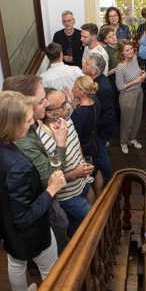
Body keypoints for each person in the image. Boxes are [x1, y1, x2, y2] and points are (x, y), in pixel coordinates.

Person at [0, 91, 66, 291]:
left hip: (3, 220)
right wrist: (51, 190)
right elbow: (24, 218)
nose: (32, 123)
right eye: (28, 120)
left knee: (15, 260)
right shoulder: (18, 167)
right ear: (12, 125)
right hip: (30, 232)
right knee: (50, 268)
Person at [2, 75, 94, 239]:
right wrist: (60, 144)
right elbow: (51, 179)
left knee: (74, 227)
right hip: (55, 202)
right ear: (25, 106)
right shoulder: (26, 141)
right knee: (91, 220)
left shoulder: (52, 122)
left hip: (80, 184)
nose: (45, 103)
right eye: (41, 100)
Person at [40, 88, 95, 233]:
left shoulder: (66, 120)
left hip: (83, 182)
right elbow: (51, 179)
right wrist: (75, 174)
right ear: (49, 113)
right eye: (63, 105)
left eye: (66, 101)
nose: (68, 107)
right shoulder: (43, 141)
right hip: (68, 196)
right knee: (93, 221)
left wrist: (83, 171)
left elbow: (77, 146)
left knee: (80, 226)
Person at [82, 53, 115, 186]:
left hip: (100, 131)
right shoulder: (93, 81)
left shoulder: (103, 88)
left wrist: (93, 126)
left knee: (101, 155)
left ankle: (109, 180)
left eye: (87, 64)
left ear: (94, 71)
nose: (83, 64)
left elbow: (108, 115)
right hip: (97, 129)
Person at [70, 76, 102, 197]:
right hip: (95, 142)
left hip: (85, 148)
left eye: (75, 87)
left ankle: (94, 208)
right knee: (96, 170)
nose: (72, 89)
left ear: (82, 91)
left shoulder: (79, 113)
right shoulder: (96, 101)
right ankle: (101, 197)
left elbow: (75, 136)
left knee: (87, 180)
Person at [115, 39, 146, 154]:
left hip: (139, 92)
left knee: (137, 118)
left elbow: (137, 73)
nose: (130, 52)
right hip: (127, 96)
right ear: (121, 53)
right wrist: (136, 80)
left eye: (131, 49)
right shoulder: (120, 67)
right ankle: (123, 142)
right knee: (127, 121)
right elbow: (120, 87)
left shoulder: (134, 58)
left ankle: (132, 138)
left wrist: (142, 75)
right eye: (127, 50)